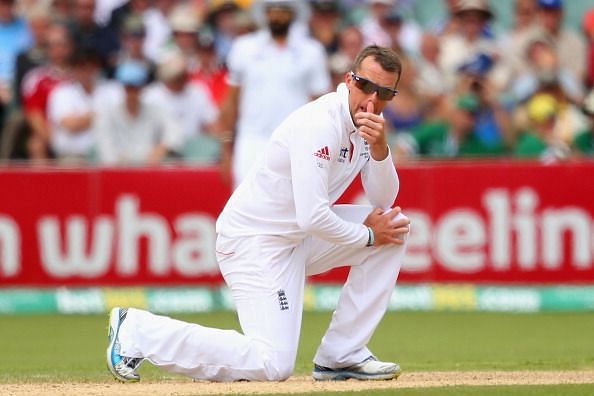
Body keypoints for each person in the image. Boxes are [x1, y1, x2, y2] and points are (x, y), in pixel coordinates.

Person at [106, 45, 410, 383]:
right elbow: (312, 216)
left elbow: (384, 199)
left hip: (295, 239)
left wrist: (382, 149)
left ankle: (342, 354)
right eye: (366, 86)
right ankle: (137, 331)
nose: (372, 100)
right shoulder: (319, 124)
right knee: (272, 364)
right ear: (349, 80)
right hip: (254, 244)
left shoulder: (368, 130)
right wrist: (368, 236)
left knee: (394, 227)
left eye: (384, 93)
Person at [219, 0, 331, 187]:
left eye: (283, 11)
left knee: (290, 204)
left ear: (294, 14)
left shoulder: (311, 51)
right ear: (265, 14)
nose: (277, 16)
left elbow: (320, 103)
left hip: (295, 141)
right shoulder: (244, 47)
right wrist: (226, 145)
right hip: (251, 138)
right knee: (244, 201)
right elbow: (232, 99)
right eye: (272, 11)